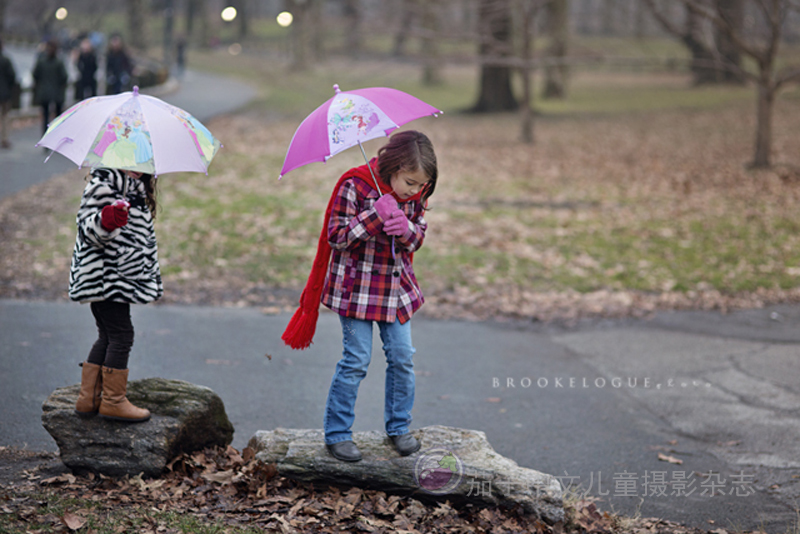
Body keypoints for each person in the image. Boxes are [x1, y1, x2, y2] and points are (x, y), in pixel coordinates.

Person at [282, 130, 438, 462]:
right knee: (356, 359)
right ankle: (338, 434)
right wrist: (374, 216)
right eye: (410, 182)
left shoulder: (415, 195)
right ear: (393, 167)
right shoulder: (353, 185)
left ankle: (399, 427)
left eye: (420, 186)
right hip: (356, 294)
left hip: (395, 294)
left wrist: (406, 229)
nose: (415, 191)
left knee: (402, 356)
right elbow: (335, 236)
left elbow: (419, 233)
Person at [70, 167, 163, 423]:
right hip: (104, 278)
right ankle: (113, 401)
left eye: (143, 162)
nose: (137, 168)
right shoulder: (102, 186)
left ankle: (88, 399)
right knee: (122, 335)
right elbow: (87, 227)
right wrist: (107, 219)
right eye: (129, 162)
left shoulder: (135, 190)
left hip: (119, 278)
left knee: (108, 335)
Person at [32, 39, 67, 136]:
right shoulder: (59, 63)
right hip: (56, 93)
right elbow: (64, 77)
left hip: (44, 93)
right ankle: (56, 135)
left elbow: (35, 74)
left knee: (46, 116)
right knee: (57, 117)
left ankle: (45, 135)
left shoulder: (42, 62)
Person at [0, 38, 18, 149]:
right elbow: (12, 76)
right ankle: (4, 138)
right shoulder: (6, 60)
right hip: (4, 92)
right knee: (5, 116)